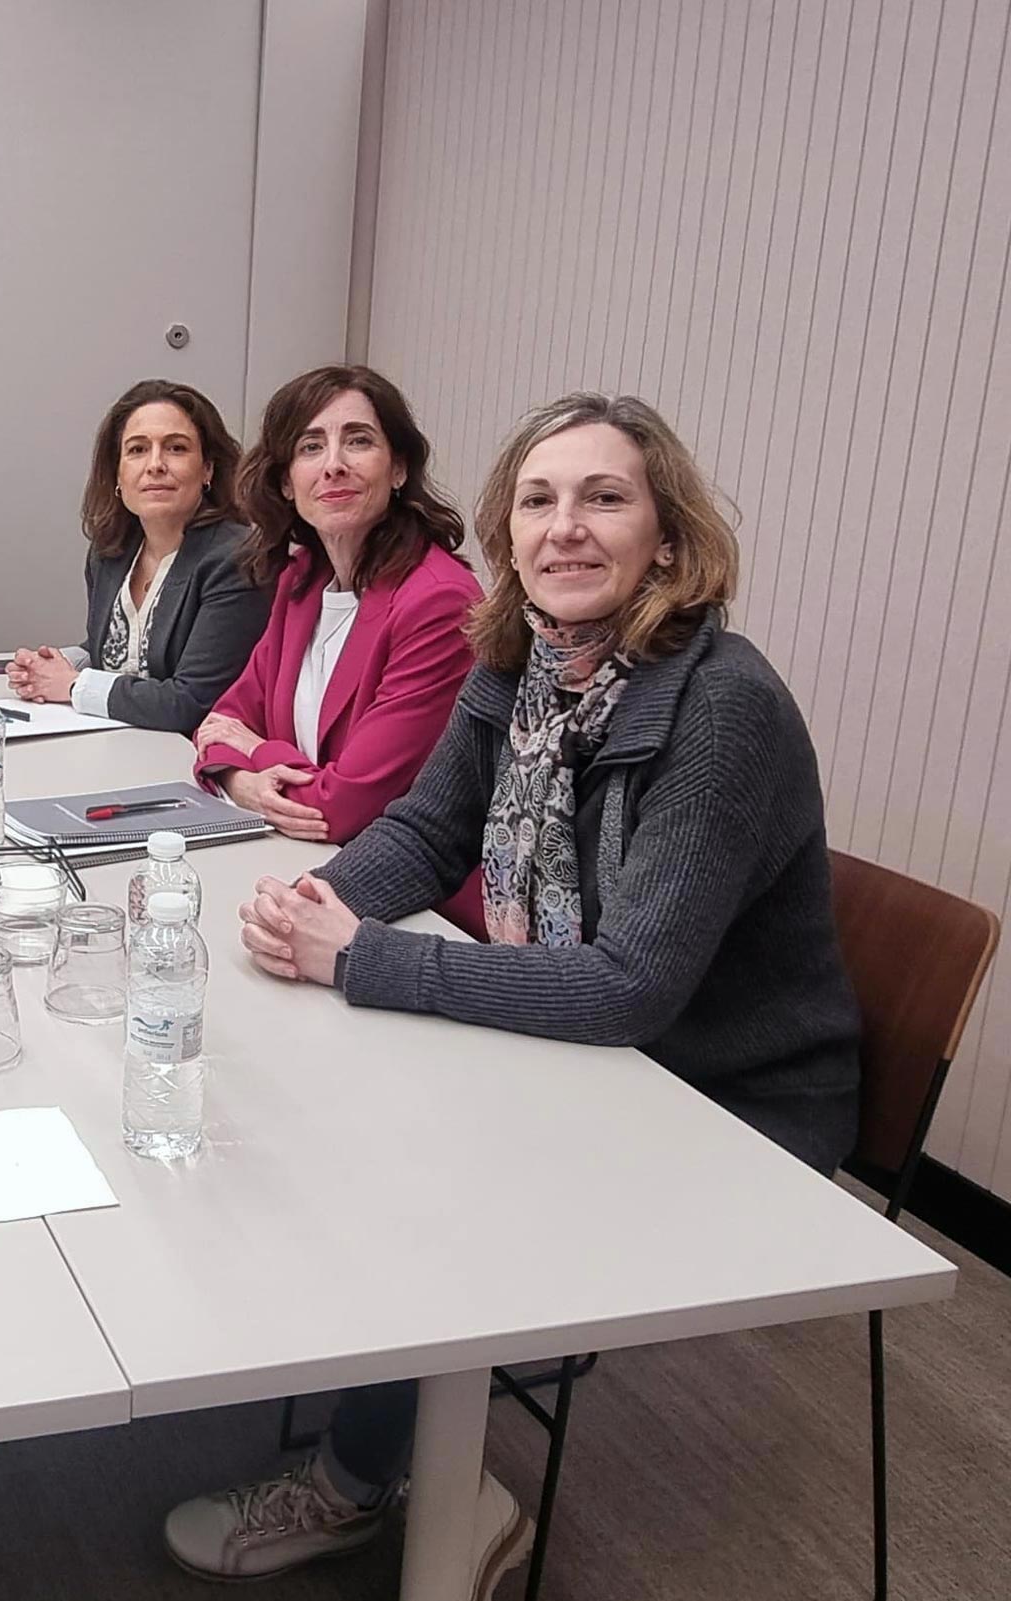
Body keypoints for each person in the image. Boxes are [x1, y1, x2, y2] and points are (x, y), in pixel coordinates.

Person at [163, 394, 860, 1594]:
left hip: (725, 1099)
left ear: (670, 537)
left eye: (605, 498)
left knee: (409, 1172)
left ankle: (367, 1482)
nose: (566, 528)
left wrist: (365, 957)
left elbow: (628, 984)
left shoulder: (721, 706)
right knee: (348, 1106)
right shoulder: (524, 660)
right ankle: (402, 1432)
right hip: (612, 1049)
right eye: (538, 500)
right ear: (507, 528)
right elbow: (430, 831)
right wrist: (314, 903)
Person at [190, 365, 484, 930]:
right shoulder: (303, 582)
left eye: (359, 440)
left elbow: (344, 808)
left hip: (415, 913)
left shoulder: (438, 602)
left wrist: (254, 750)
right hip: (297, 865)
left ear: (398, 468)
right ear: (284, 481)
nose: (334, 465)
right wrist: (238, 780)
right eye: (310, 446)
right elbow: (220, 720)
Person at [3, 380, 269, 731]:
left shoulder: (236, 559)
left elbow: (190, 703)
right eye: (137, 450)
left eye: (175, 448)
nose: (155, 464)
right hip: (120, 745)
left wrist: (71, 684)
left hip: (191, 762)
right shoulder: (111, 552)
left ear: (208, 469)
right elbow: (123, 653)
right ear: (117, 473)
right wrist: (53, 664)